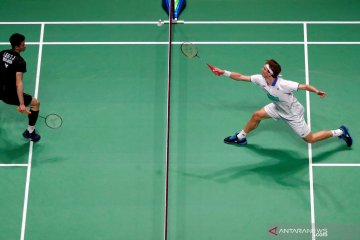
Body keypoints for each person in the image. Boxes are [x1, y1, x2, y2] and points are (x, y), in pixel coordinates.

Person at [211, 59, 352, 147]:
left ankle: (340, 132)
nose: (262, 69)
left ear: (270, 74)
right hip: (277, 107)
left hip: (293, 114)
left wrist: (317, 91)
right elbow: (241, 77)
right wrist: (223, 72)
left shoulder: (285, 84)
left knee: (310, 139)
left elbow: (305, 86)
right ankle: (240, 137)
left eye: (265, 69)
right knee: (256, 115)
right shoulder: (261, 79)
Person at [0, 33, 41, 142]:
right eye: (23, 44)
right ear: (17, 46)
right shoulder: (20, 62)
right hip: (8, 94)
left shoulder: (3, 53)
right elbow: (19, 83)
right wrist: (22, 104)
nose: (25, 45)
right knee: (35, 103)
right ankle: (30, 131)